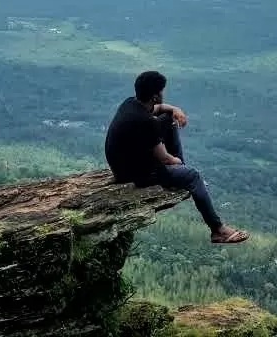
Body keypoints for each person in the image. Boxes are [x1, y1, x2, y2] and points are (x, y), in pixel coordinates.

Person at [104, 70, 249, 244]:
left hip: (123, 163)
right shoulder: (145, 122)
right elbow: (165, 158)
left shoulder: (130, 104)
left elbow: (158, 110)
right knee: (193, 176)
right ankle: (218, 230)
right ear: (155, 95)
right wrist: (176, 162)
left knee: (169, 119)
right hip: (134, 174)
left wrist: (175, 109)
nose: (162, 94)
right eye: (161, 91)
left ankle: (180, 174)